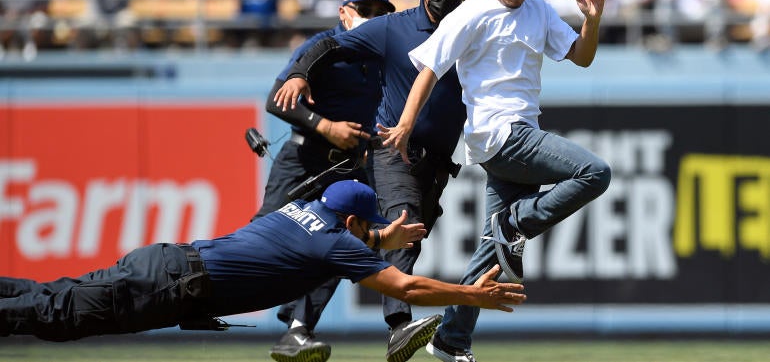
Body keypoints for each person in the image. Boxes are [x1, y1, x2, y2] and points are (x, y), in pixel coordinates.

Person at [378, 0, 612, 361]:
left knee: (491, 257)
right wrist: (405, 123)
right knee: (595, 172)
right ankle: (518, 222)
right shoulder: (470, 15)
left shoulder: (538, 9)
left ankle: (451, 339)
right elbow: (429, 69)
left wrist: (592, 21)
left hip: (514, 138)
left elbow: (581, 56)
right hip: (499, 135)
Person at [0, 180, 527, 343]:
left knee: (52, 294)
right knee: (57, 316)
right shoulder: (338, 243)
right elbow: (406, 288)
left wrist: (382, 234)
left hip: (165, 262)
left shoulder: (298, 210)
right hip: (172, 287)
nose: (369, 238)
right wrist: (473, 295)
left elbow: (332, 240)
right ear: (353, 226)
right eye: (369, 230)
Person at [274, 0, 469, 362]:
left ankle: (297, 328)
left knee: (359, 242)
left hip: (428, 164)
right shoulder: (390, 30)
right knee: (404, 223)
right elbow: (328, 44)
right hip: (385, 151)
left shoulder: (472, 29)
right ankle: (399, 325)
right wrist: (298, 73)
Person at [257, 0, 395, 361]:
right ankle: (206, 298)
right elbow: (276, 100)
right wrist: (325, 126)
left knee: (342, 244)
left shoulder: (381, 56)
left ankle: (298, 330)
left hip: (347, 168)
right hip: (304, 158)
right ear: (344, 12)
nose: (372, 19)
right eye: (365, 11)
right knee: (266, 237)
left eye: (381, 13)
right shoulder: (324, 48)